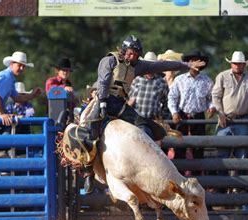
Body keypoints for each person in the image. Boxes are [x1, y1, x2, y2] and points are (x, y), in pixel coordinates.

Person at [82, 35, 205, 194]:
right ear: (125, 50)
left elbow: (160, 66)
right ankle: (88, 172)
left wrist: (185, 64)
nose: (133, 56)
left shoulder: (138, 65)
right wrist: (103, 102)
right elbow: (104, 81)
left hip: (119, 104)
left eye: (136, 54)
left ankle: (144, 162)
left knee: (144, 125)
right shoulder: (110, 60)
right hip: (102, 99)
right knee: (89, 132)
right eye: (131, 53)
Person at [209, 51, 248, 160]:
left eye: (240, 63)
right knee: (222, 153)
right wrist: (220, 112)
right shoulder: (222, 76)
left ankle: (241, 176)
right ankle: (223, 176)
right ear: (231, 64)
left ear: (244, 65)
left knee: (242, 154)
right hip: (225, 119)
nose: (237, 65)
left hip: (244, 120)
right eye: (235, 63)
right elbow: (216, 96)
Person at [167, 49, 213, 163]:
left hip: (198, 116)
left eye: (198, 61)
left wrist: (212, 107)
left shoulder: (207, 81)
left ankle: (198, 176)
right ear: (189, 63)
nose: (196, 63)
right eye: (193, 61)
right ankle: (181, 176)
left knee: (198, 148)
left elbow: (212, 98)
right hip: (182, 115)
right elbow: (172, 97)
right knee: (179, 147)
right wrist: (174, 112)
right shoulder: (179, 79)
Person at [128, 51, 169, 120]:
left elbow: (166, 103)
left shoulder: (161, 82)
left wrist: (161, 116)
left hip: (153, 120)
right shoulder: (137, 80)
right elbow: (129, 99)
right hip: (137, 119)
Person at [45, 57, 75, 122]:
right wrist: (63, 87)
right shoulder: (51, 81)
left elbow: (72, 103)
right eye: (63, 70)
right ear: (57, 70)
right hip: (53, 118)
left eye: (68, 70)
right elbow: (51, 89)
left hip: (67, 119)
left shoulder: (69, 84)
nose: (66, 72)